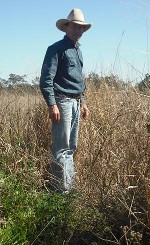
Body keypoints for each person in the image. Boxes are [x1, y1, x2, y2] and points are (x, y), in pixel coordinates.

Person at [39, 8, 91, 193]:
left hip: (76, 102)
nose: (78, 31)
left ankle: (68, 189)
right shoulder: (55, 49)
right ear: (66, 27)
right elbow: (46, 80)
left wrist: (83, 102)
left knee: (71, 148)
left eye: (81, 28)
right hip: (62, 102)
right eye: (75, 27)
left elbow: (79, 80)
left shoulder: (78, 51)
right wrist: (52, 104)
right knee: (61, 149)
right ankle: (60, 192)